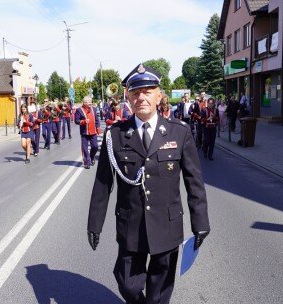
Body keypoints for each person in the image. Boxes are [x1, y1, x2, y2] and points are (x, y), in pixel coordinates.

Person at [87, 63, 210, 304]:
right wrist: (94, 223)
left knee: (160, 291)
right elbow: (103, 183)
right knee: (128, 285)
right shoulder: (115, 135)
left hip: (167, 224)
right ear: (128, 98)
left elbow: (194, 181)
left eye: (148, 91)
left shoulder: (179, 132)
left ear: (159, 95)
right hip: (130, 224)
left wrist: (200, 223)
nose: (141, 97)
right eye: (135, 93)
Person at [74, 96, 101, 169]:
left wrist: (98, 128)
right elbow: (76, 121)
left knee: (95, 146)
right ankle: (87, 162)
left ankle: (91, 157)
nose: (90, 103)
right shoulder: (79, 110)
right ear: (84, 102)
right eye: (89, 102)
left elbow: (97, 120)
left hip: (93, 131)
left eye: (91, 101)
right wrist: (83, 121)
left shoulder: (94, 109)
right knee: (85, 148)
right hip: (84, 132)